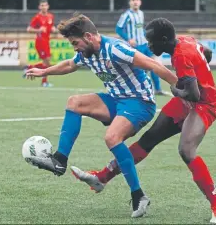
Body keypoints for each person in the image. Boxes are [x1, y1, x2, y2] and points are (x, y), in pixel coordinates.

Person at [71, 18, 216, 224]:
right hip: (186, 100)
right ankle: (102, 178)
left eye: (151, 42)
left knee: (186, 151)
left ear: (163, 39)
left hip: (204, 104)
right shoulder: (185, 41)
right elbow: (206, 52)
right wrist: (200, 67)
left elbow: (194, 95)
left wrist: (175, 89)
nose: (149, 46)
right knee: (149, 139)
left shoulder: (180, 55)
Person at [25, 14, 178, 217]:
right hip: (115, 100)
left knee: (112, 137)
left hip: (140, 103)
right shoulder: (87, 53)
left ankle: (138, 195)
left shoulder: (115, 48)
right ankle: (60, 160)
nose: (75, 48)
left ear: (88, 36)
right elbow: (70, 65)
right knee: (74, 102)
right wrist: (44, 72)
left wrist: (180, 86)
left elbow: (153, 65)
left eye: (75, 43)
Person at [116, 0, 171, 96]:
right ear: (130, 3)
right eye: (133, 0)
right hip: (136, 47)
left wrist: (149, 38)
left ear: (140, 2)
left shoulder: (141, 13)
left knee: (156, 65)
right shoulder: (126, 15)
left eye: (137, 0)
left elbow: (140, 29)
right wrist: (128, 39)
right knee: (140, 70)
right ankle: (139, 90)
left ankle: (158, 89)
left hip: (145, 45)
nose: (135, 2)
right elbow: (118, 29)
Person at [25, 0, 57, 87]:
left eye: (45, 5)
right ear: (39, 7)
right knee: (47, 63)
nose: (44, 7)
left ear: (48, 6)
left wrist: (53, 29)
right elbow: (29, 29)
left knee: (47, 63)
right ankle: (44, 82)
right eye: (42, 5)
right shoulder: (37, 17)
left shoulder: (50, 16)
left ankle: (30, 67)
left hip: (47, 41)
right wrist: (38, 30)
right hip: (40, 42)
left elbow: (50, 27)